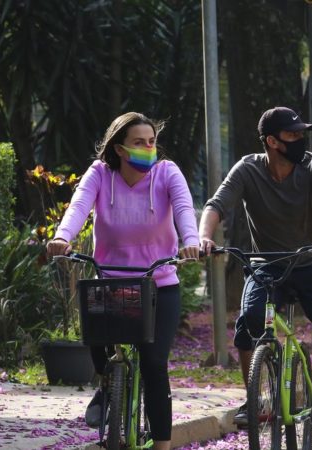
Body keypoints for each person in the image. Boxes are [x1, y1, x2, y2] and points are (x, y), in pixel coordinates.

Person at [46, 112, 200, 450]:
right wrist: (62, 237)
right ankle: (107, 383)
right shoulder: (100, 174)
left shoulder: (166, 172)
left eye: (152, 142)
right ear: (119, 148)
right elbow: (78, 207)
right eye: (139, 143)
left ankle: (161, 445)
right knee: (98, 346)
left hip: (159, 284)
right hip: (110, 283)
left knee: (154, 365)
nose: (148, 148)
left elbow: (185, 209)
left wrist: (190, 240)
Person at [198, 106, 312, 429]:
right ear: (272, 141)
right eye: (292, 135)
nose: (299, 140)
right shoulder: (247, 169)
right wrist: (204, 238)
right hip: (267, 263)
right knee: (249, 323)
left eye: (300, 134)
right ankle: (254, 397)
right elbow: (217, 205)